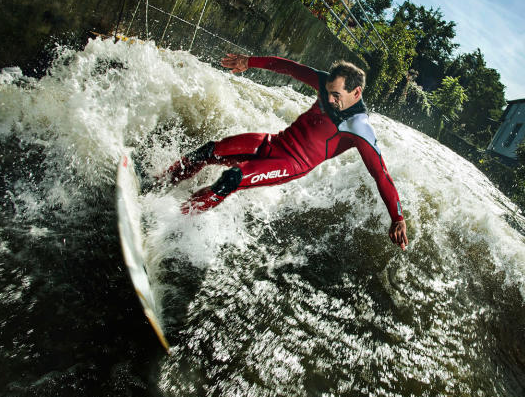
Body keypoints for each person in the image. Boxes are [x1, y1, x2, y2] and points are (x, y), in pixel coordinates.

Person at [163, 53, 409, 250]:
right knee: (208, 151)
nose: (330, 99)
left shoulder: (359, 127)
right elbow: (290, 68)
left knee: (232, 178)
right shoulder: (326, 83)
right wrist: (249, 62)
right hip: (273, 142)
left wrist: (397, 217)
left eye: (337, 95)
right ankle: (162, 182)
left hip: (290, 164)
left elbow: (381, 174)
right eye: (329, 92)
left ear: (356, 93)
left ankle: (172, 222)